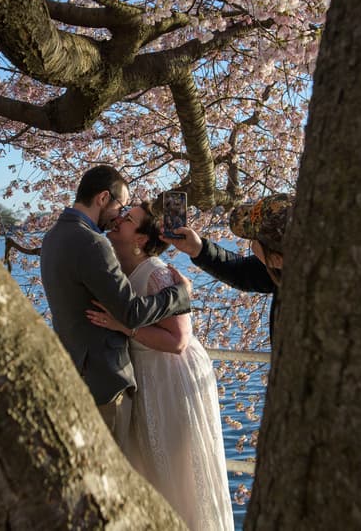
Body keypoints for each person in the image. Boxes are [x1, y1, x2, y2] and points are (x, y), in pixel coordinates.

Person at [87, 201, 234, 531]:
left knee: (178, 472)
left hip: (172, 376)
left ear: (140, 239)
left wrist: (123, 326)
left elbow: (178, 341)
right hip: (147, 373)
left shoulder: (157, 273)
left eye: (128, 220)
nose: (118, 220)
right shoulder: (122, 271)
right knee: (151, 467)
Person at [40, 165, 192, 440]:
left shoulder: (52, 236)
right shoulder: (93, 243)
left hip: (75, 372)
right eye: (119, 206)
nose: (117, 217)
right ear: (102, 198)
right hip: (103, 381)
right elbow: (130, 313)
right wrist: (180, 294)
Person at [161, 193, 292, 344]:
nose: (251, 245)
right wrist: (198, 249)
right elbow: (240, 272)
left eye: (253, 239)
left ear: (276, 259)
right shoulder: (286, 271)